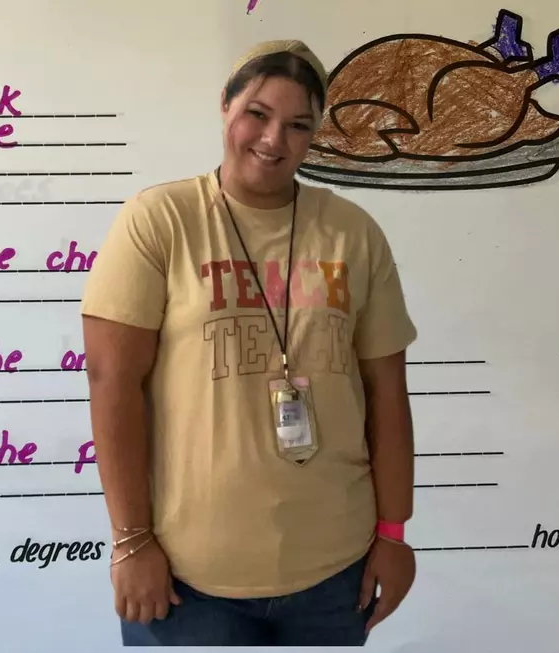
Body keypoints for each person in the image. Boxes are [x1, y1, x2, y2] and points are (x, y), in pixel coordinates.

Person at [79, 39, 418, 647]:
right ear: (225, 107)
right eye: (257, 114)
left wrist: (394, 535)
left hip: (334, 572)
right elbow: (112, 383)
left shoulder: (353, 234)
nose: (273, 139)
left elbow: (387, 390)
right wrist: (130, 542)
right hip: (188, 582)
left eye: (297, 125)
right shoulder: (161, 221)